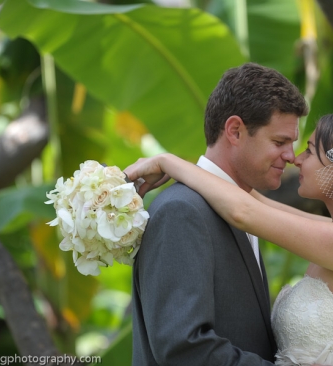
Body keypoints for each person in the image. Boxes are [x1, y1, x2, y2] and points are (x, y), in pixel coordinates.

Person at [125, 110, 333, 366]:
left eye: (309, 152)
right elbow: (253, 200)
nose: (296, 159)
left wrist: (165, 160)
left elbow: (244, 212)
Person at [128, 62, 309, 365]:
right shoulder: (181, 211)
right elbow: (182, 348)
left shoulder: (246, 207)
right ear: (235, 130)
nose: (291, 156)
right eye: (279, 142)